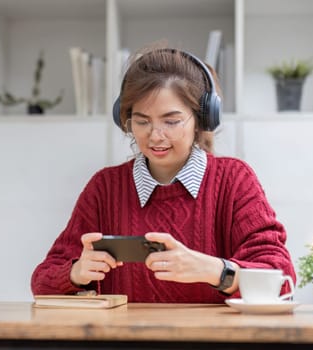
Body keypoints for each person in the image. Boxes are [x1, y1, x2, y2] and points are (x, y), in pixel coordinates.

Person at [31, 45, 296, 303]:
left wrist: (214, 270)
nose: (155, 136)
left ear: (202, 119)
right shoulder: (105, 187)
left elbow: (282, 279)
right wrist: (76, 273)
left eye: (171, 121)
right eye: (142, 121)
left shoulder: (234, 180)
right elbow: (42, 281)